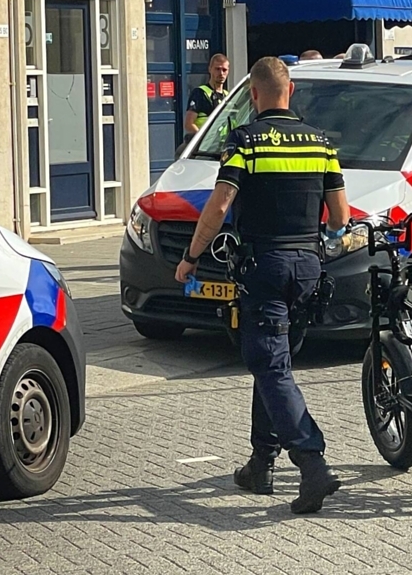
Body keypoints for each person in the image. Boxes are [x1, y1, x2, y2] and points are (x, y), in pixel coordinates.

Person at [174, 56, 350, 514]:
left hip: (265, 267)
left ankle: (312, 464)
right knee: (275, 363)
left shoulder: (245, 141)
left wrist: (191, 258)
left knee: (269, 365)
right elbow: (341, 216)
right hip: (308, 270)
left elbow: (219, 204)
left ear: (253, 94)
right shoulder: (320, 142)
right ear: (289, 92)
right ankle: (261, 464)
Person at [184, 54, 230, 136]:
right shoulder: (200, 93)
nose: (221, 73)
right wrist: (203, 140)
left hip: (223, 144)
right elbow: (189, 124)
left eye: (224, 70)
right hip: (206, 147)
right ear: (210, 69)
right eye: (217, 69)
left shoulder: (228, 96)